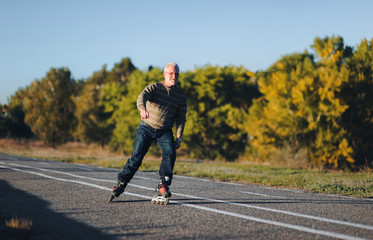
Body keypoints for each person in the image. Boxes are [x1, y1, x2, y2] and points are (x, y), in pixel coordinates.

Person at [109, 62, 187, 203]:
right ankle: (121, 183)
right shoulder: (155, 87)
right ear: (164, 74)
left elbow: (181, 118)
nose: (173, 76)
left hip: (164, 131)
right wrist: (142, 109)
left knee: (170, 153)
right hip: (146, 127)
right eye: (170, 73)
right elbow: (141, 97)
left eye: (176, 73)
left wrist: (179, 137)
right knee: (136, 158)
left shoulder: (180, 96)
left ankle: (163, 184)